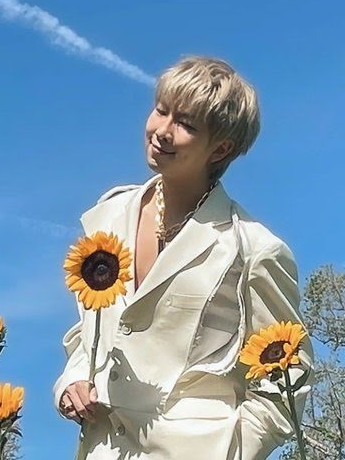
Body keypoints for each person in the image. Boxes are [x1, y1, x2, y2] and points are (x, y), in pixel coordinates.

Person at [53, 56, 313, 460]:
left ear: (221, 148)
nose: (162, 131)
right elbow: (91, 331)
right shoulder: (109, 214)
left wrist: (229, 453)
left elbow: (287, 379)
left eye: (187, 125)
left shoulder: (253, 248)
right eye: (161, 110)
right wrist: (72, 381)